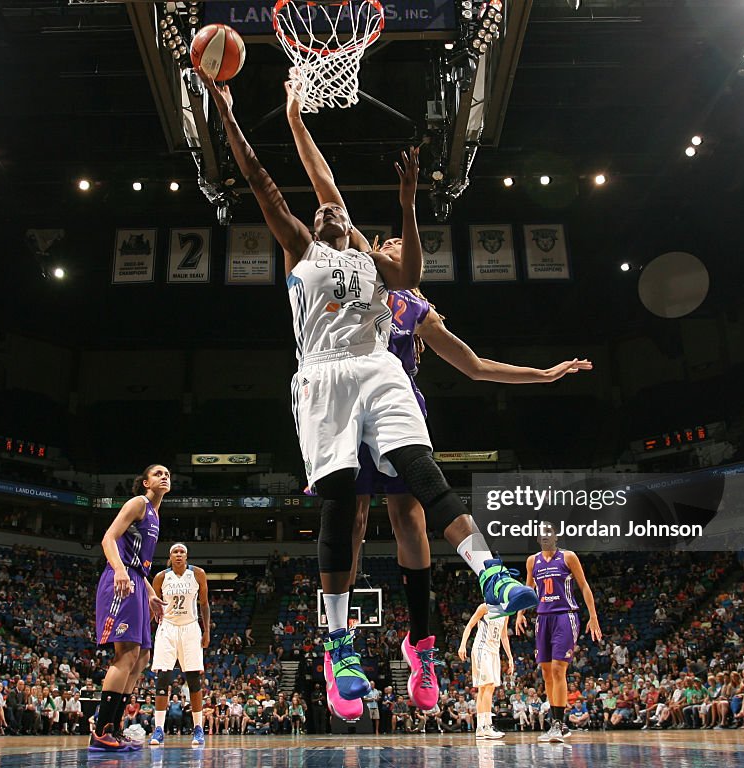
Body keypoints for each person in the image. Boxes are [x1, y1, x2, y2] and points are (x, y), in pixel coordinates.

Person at [203, 71, 536, 720]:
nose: (338, 213)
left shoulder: (392, 278)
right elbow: (274, 182)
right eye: (331, 214)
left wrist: (405, 204)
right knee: (346, 513)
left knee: (415, 496)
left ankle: (461, 606)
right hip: (332, 389)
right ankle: (338, 645)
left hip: (384, 386)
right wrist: (263, 119)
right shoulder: (312, 249)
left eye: (346, 216)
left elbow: (422, 288)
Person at [283, 80, 592, 712]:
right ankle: (342, 641)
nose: (389, 245)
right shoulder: (357, 267)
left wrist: (541, 375)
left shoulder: (415, 305)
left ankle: (420, 648)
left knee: (411, 517)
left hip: (392, 404)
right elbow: (322, 184)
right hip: (343, 403)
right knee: (354, 515)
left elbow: (475, 367)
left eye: (398, 243)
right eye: (387, 242)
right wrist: (296, 122)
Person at [89, 464, 169, 752]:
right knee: (126, 654)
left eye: (167, 474)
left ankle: (116, 729)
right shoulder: (138, 503)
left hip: (136, 581)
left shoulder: (156, 515)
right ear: (145, 482)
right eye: (158, 473)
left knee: (142, 657)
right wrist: (120, 570)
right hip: (119, 580)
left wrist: (150, 594)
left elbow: (140, 567)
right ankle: (101, 730)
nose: (164, 477)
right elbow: (108, 538)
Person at [514, 523, 602, 743]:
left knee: (557, 669)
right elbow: (528, 589)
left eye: (548, 534)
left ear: (556, 537)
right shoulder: (532, 561)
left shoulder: (568, 557)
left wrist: (593, 616)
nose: (545, 537)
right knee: (545, 673)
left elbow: (584, 586)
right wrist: (520, 614)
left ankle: (558, 724)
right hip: (542, 617)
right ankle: (557, 724)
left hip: (565, 615)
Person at [149, 542, 210, 747]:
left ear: (186, 556)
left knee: (193, 679)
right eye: (175, 552)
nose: (178, 555)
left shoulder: (198, 574)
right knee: (163, 677)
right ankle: (158, 729)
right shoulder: (160, 577)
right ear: (170, 556)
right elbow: (153, 606)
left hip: (190, 627)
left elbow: (205, 604)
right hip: (167, 628)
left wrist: (207, 630)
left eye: (182, 552)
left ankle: (198, 729)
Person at [459, 603, 514, 739]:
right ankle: (487, 726)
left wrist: (510, 657)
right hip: (482, 649)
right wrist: (462, 645)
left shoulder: (506, 612)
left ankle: (480, 728)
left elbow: (504, 636)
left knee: (485, 689)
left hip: (494, 652)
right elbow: (470, 625)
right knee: (487, 686)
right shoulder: (485, 607)